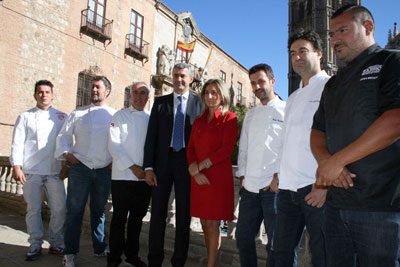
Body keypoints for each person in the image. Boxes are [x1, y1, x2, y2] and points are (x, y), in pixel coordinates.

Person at [310, 5, 400, 267]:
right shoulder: (333, 83)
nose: (334, 39)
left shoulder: (391, 62)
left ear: (368, 27)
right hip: (336, 207)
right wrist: (327, 163)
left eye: (342, 30)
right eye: (331, 34)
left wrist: (337, 162)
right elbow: (317, 131)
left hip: (380, 208)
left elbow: (395, 121)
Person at [273, 30, 330, 267]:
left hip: (315, 188)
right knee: (281, 254)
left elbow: (337, 138)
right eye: (292, 53)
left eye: (303, 51)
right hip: (287, 190)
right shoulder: (293, 97)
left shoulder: (332, 87)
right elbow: (286, 140)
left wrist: (324, 185)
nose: (296, 57)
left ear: (319, 53)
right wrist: (278, 174)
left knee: (322, 255)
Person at [143, 63, 202, 267]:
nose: (179, 79)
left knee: (184, 216)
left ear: (190, 79)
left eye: (183, 76)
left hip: (187, 164)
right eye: (176, 75)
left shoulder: (199, 104)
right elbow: (151, 138)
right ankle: (154, 261)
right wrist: (148, 168)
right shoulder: (160, 103)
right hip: (162, 164)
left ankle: (179, 262)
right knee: (157, 214)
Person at [55, 76, 116, 267]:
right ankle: (70, 252)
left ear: (107, 91)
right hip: (80, 168)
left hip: (103, 170)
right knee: (74, 212)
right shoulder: (77, 113)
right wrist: (67, 155)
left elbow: (119, 141)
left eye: (98, 87)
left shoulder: (114, 115)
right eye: (92, 88)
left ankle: (99, 247)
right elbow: (64, 136)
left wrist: (114, 161)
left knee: (99, 212)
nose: (94, 90)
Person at [10, 80, 67, 261]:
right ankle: (35, 244)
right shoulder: (25, 117)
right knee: (33, 209)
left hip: (54, 171)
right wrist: (16, 166)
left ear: (52, 94)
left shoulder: (61, 116)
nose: (44, 95)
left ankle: (56, 243)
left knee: (59, 208)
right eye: (40, 92)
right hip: (31, 171)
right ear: (35, 95)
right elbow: (17, 143)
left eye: (47, 92)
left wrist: (66, 165)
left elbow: (66, 143)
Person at [236, 64, 285, 267]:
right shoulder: (250, 114)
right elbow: (244, 148)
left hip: (273, 189)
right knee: (242, 238)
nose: (257, 86)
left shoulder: (286, 109)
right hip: (250, 189)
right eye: (253, 82)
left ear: (272, 82)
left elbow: (289, 147)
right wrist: (242, 176)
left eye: (261, 81)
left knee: (275, 244)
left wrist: (278, 178)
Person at [187, 79, 238, 267]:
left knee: (213, 224)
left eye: (214, 92)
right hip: (199, 178)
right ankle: (213, 262)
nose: (210, 96)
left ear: (222, 95)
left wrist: (199, 166)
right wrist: (193, 168)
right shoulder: (199, 121)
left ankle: (211, 265)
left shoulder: (229, 118)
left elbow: (226, 149)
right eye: (207, 92)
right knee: (203, 223)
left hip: (217, 178)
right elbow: (191, 147)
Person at [107, 81, 151, 267]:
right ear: (130, 95)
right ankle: (114, 258)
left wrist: (147, 170)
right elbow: (114, 145)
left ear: (148, 97)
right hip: (122, 176)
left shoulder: (151, 119)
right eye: (136, 92)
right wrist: (134, 168)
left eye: (143, 93)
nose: (139, 96)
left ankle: (132, 256)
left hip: (144, 179)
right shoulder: (119, 116)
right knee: (118, 219)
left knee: (136, 220)